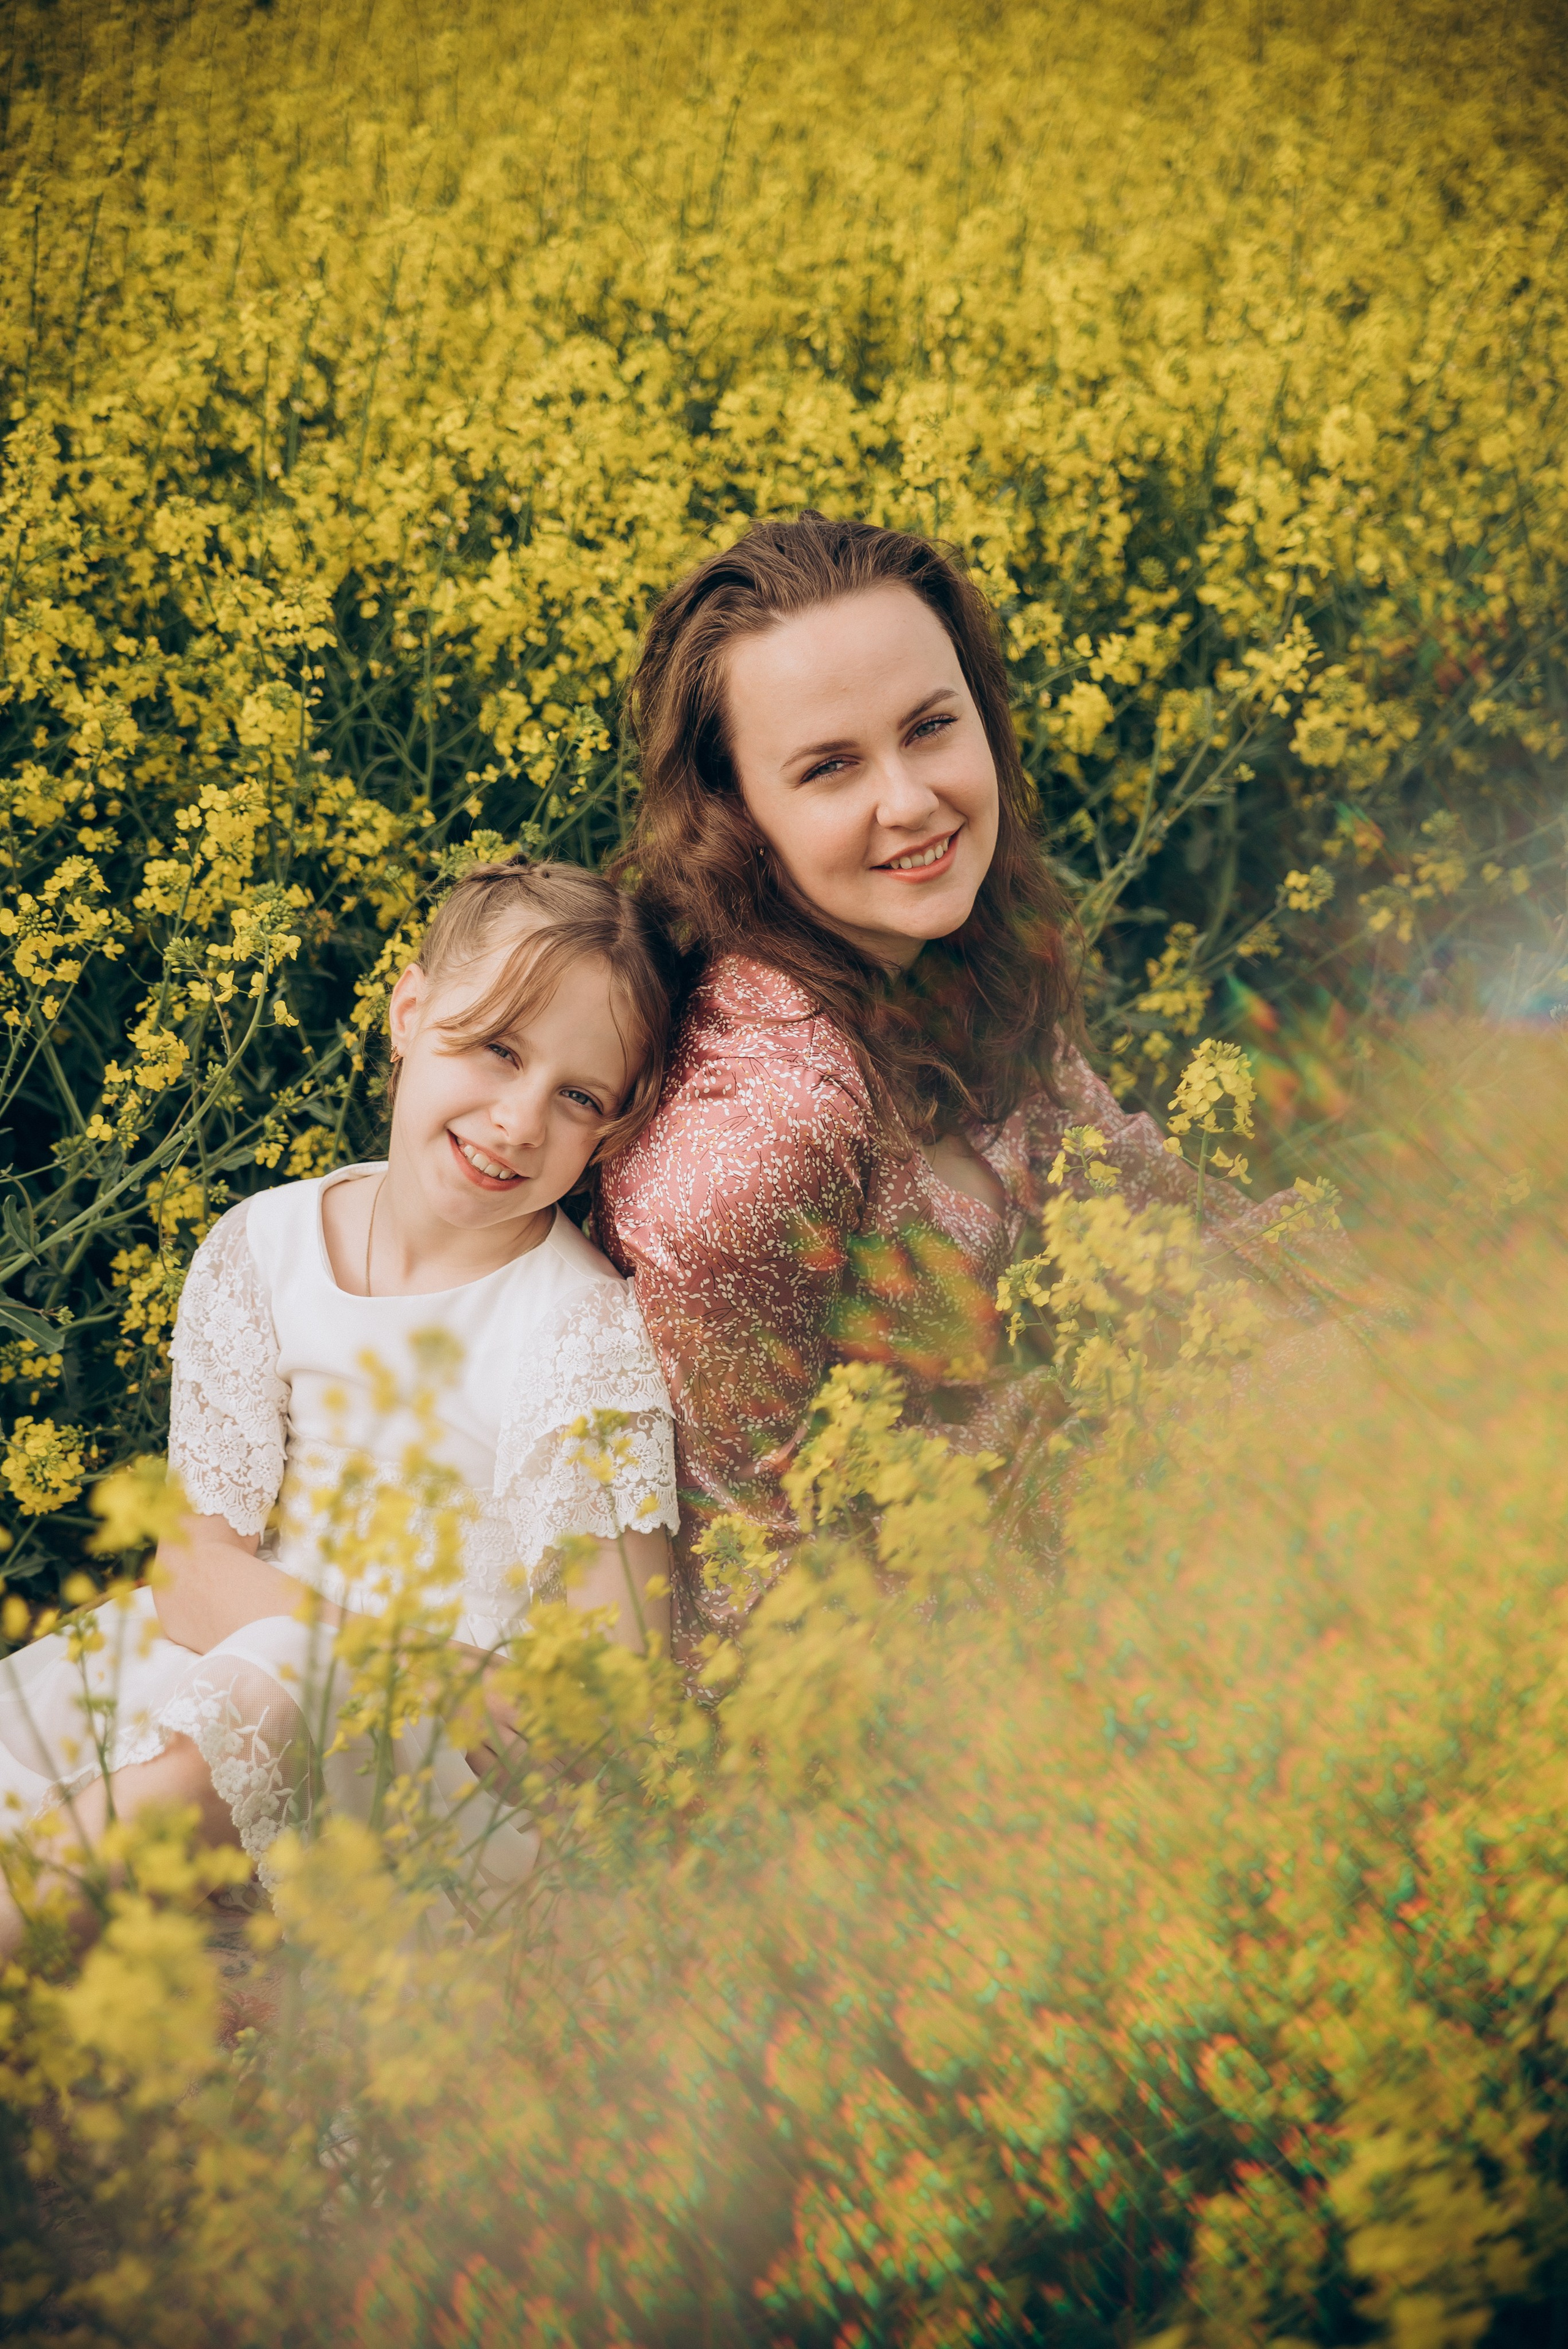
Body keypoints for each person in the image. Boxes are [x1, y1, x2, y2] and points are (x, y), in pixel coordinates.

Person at [598, 513, 1328, 1642]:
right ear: (740, 813)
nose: (911, 800)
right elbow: (751, 1597)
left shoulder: (943, 964)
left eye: (932, 727)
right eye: (831, 766)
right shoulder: (752, 1144)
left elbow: (1143, 1187)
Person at [0, 859, 682, 1953]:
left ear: (611, 1131)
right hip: (238, 1669)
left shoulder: (580, 1333)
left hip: (427, 1768)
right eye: (498, 1048)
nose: (516, 1120)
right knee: (49, 1721)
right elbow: (189, 1569)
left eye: (579, 1097)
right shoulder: (266, 1246)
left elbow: (617, 1679)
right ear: (410, 1014)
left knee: (290, 1681)